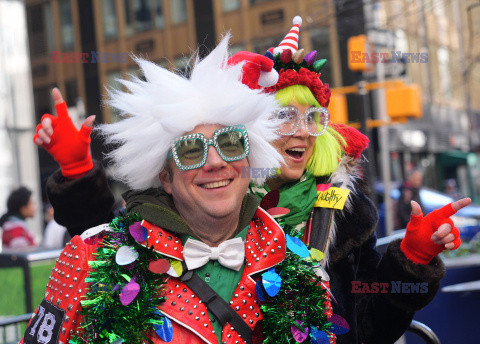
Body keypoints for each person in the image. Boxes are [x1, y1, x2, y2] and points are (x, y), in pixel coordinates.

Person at [30, 18, 469, 344]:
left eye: (311, 118)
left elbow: (368, 324)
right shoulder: (146, 224)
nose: (298, 130)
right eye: (283, 115)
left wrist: (410, 260)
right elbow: (118, 238)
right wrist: (77, 172)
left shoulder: (321, 232)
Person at [0, 186, 37, 250]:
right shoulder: (17, 232)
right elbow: (21, 257)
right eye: (31, 203)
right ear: (23, 208)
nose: (35, 207)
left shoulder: (12, 227)